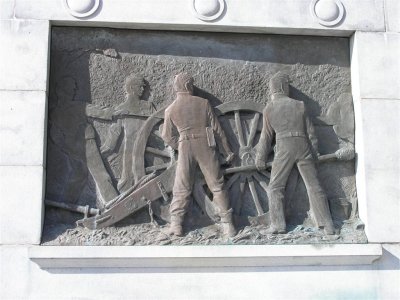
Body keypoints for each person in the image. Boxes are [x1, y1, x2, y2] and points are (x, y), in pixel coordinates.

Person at [255, 72, 335, 235]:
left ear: (273, 89)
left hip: (284, 147)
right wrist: (315, 152)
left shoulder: (269, 109)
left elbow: (266, 137)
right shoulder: (300, 105)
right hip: (303, 145)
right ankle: (328, 226)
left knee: (275, 187)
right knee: (314, 186)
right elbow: (311, 132)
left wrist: (260, 158)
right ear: (284, 88)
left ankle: (278, 225)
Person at [161, 72, 236, 237]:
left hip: (185, 146)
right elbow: (217, 129)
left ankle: (176, 225)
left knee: (181, 187)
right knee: (217, 184)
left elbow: (166, 136)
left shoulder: (170, 109)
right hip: (204, 145)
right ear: (188, 86)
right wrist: (227, 150)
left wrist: (179, 146)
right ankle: (228, 225)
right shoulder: (203, 103)